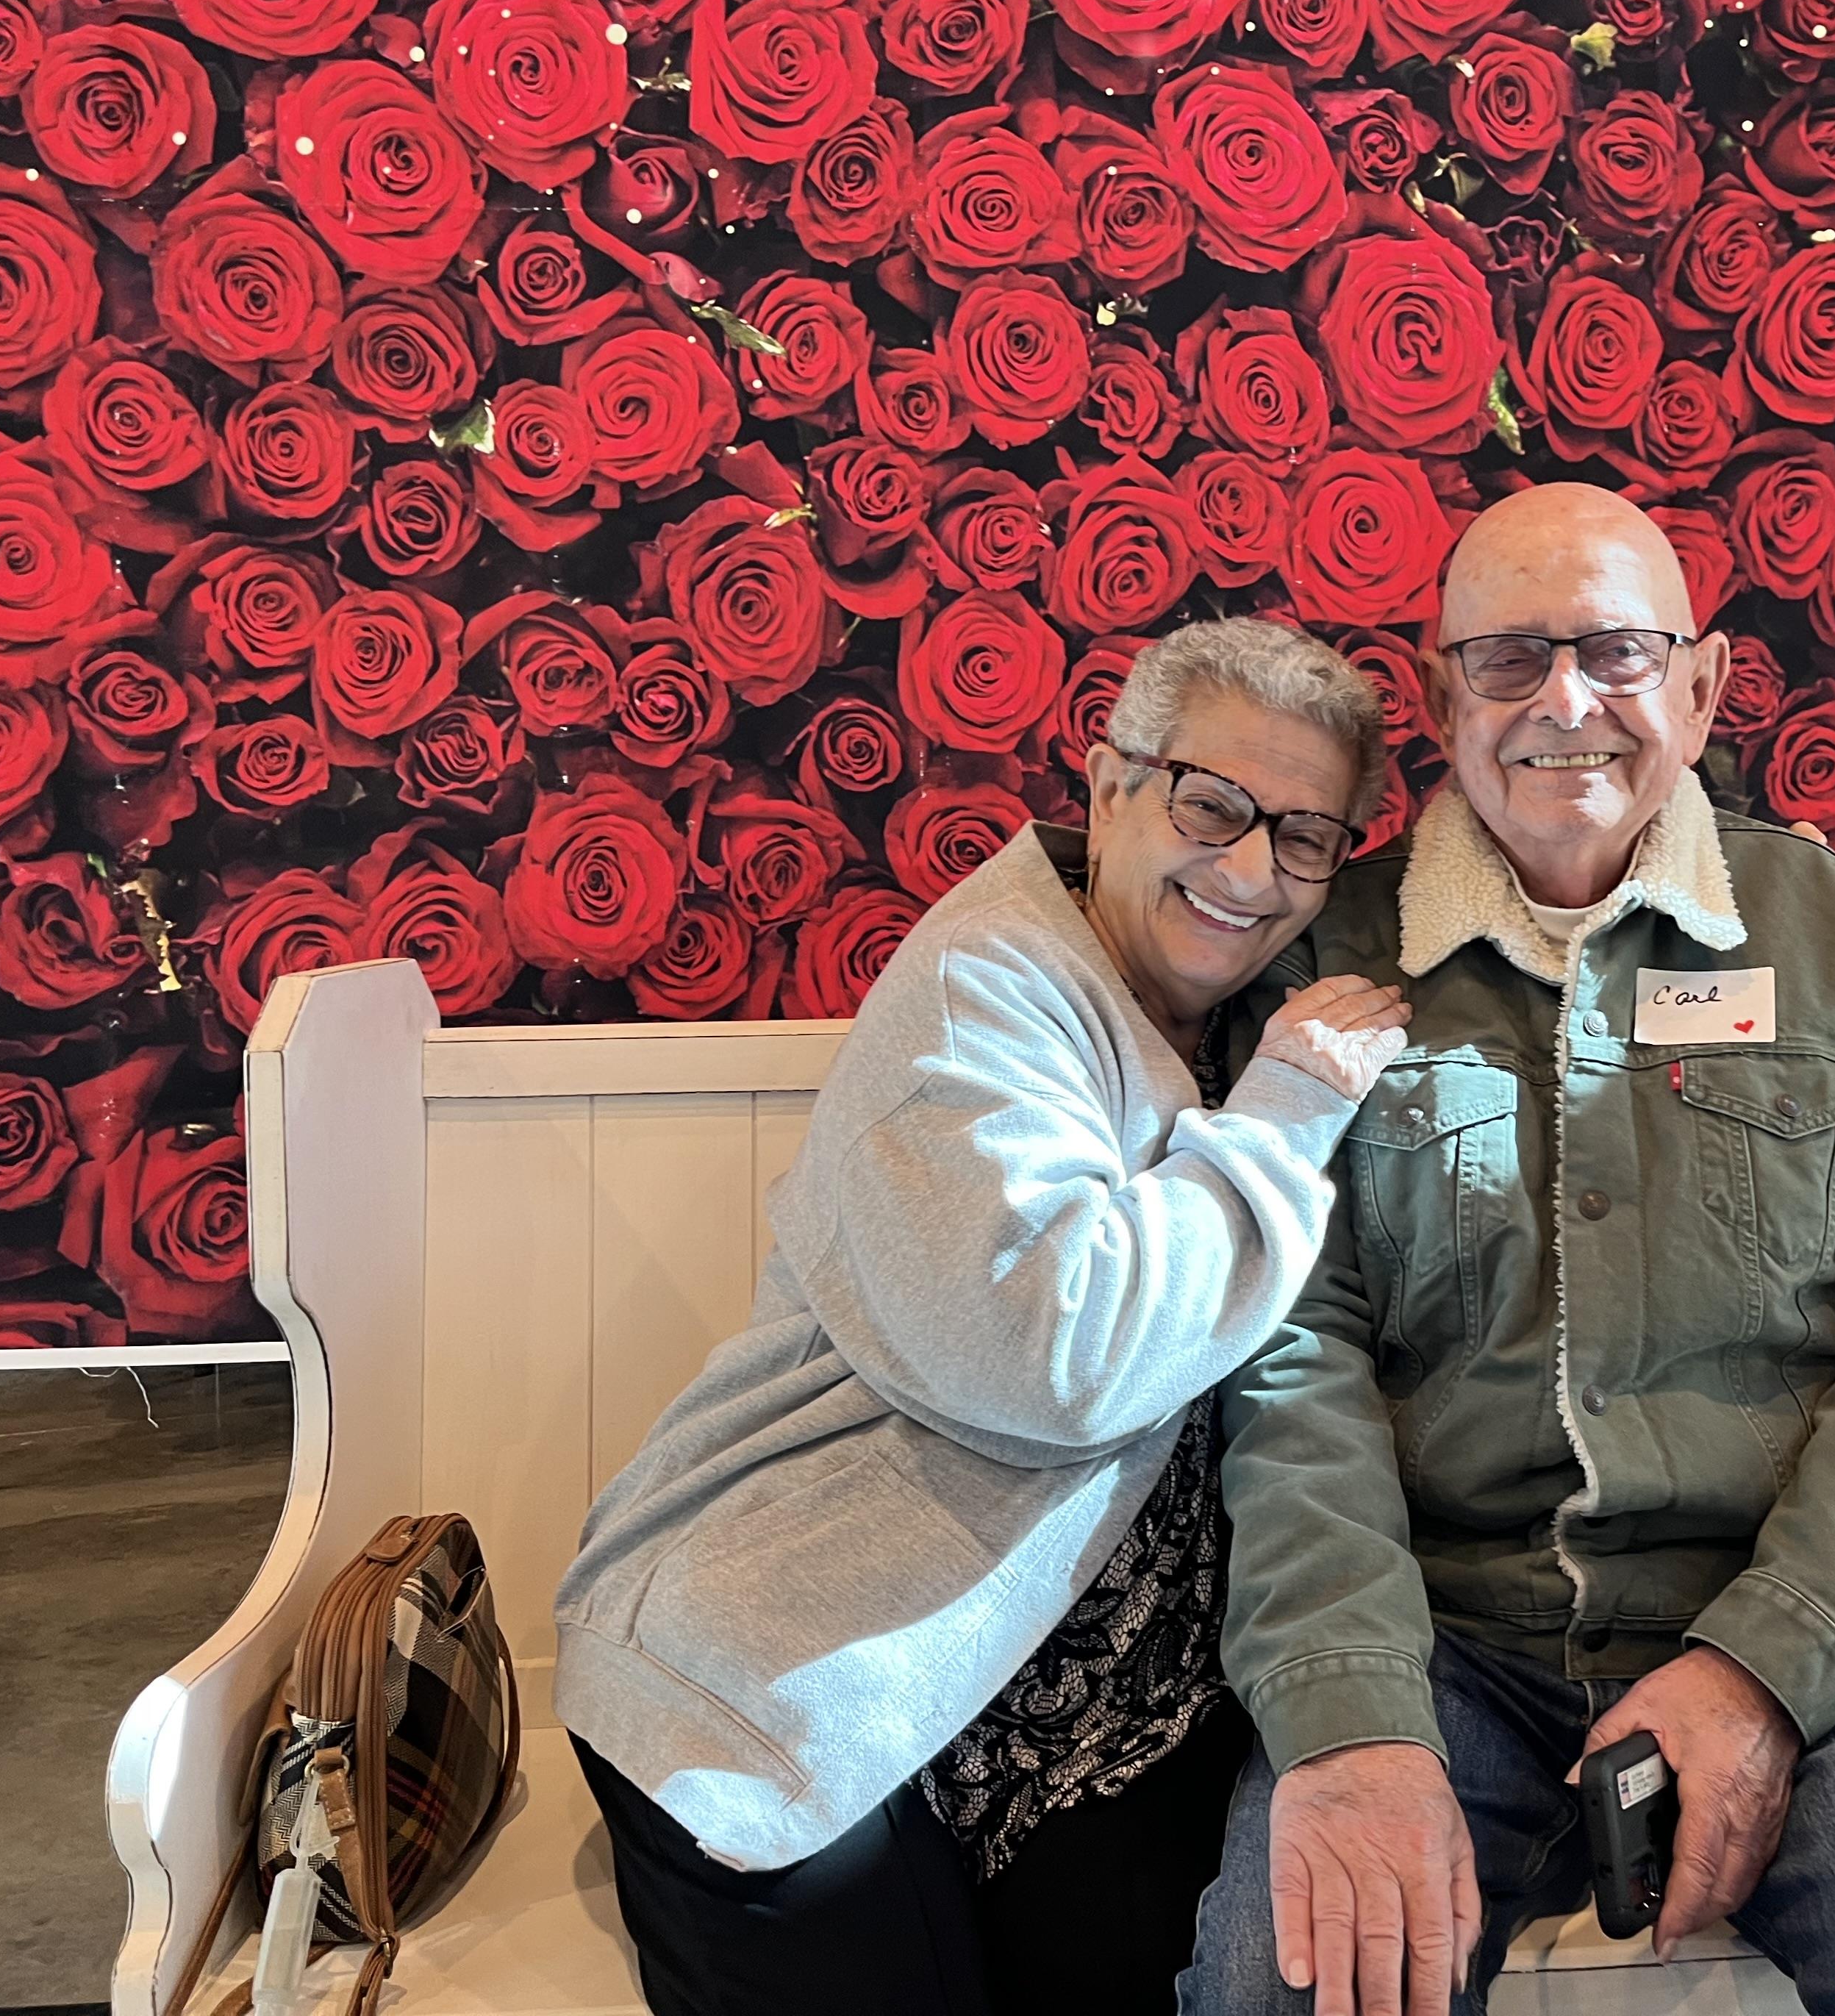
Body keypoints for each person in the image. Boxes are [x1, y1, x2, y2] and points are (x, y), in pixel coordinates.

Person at [1183, 487, 1835, 2016]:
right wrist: (1347, 1720)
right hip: (1435, 1642)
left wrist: (1771, 1664)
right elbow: (1291, 1364)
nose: (1566, 701)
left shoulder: (1824, 931)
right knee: (1278, 1997)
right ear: (1438, 698)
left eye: (1617, 652)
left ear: (1699, 688)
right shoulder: (1330, 958)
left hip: (1785, 1634)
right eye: (1506, 659)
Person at [553, 619, 1413, 2016]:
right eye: (1212, 805)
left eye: (1306, 839)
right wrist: (1292, 1111)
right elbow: (1062, 1358)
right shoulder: (991, 988)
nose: (1252, 873)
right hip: (794, 1661)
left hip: (1092, 1697)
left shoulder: (1235, 1005)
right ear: (1111, 782)